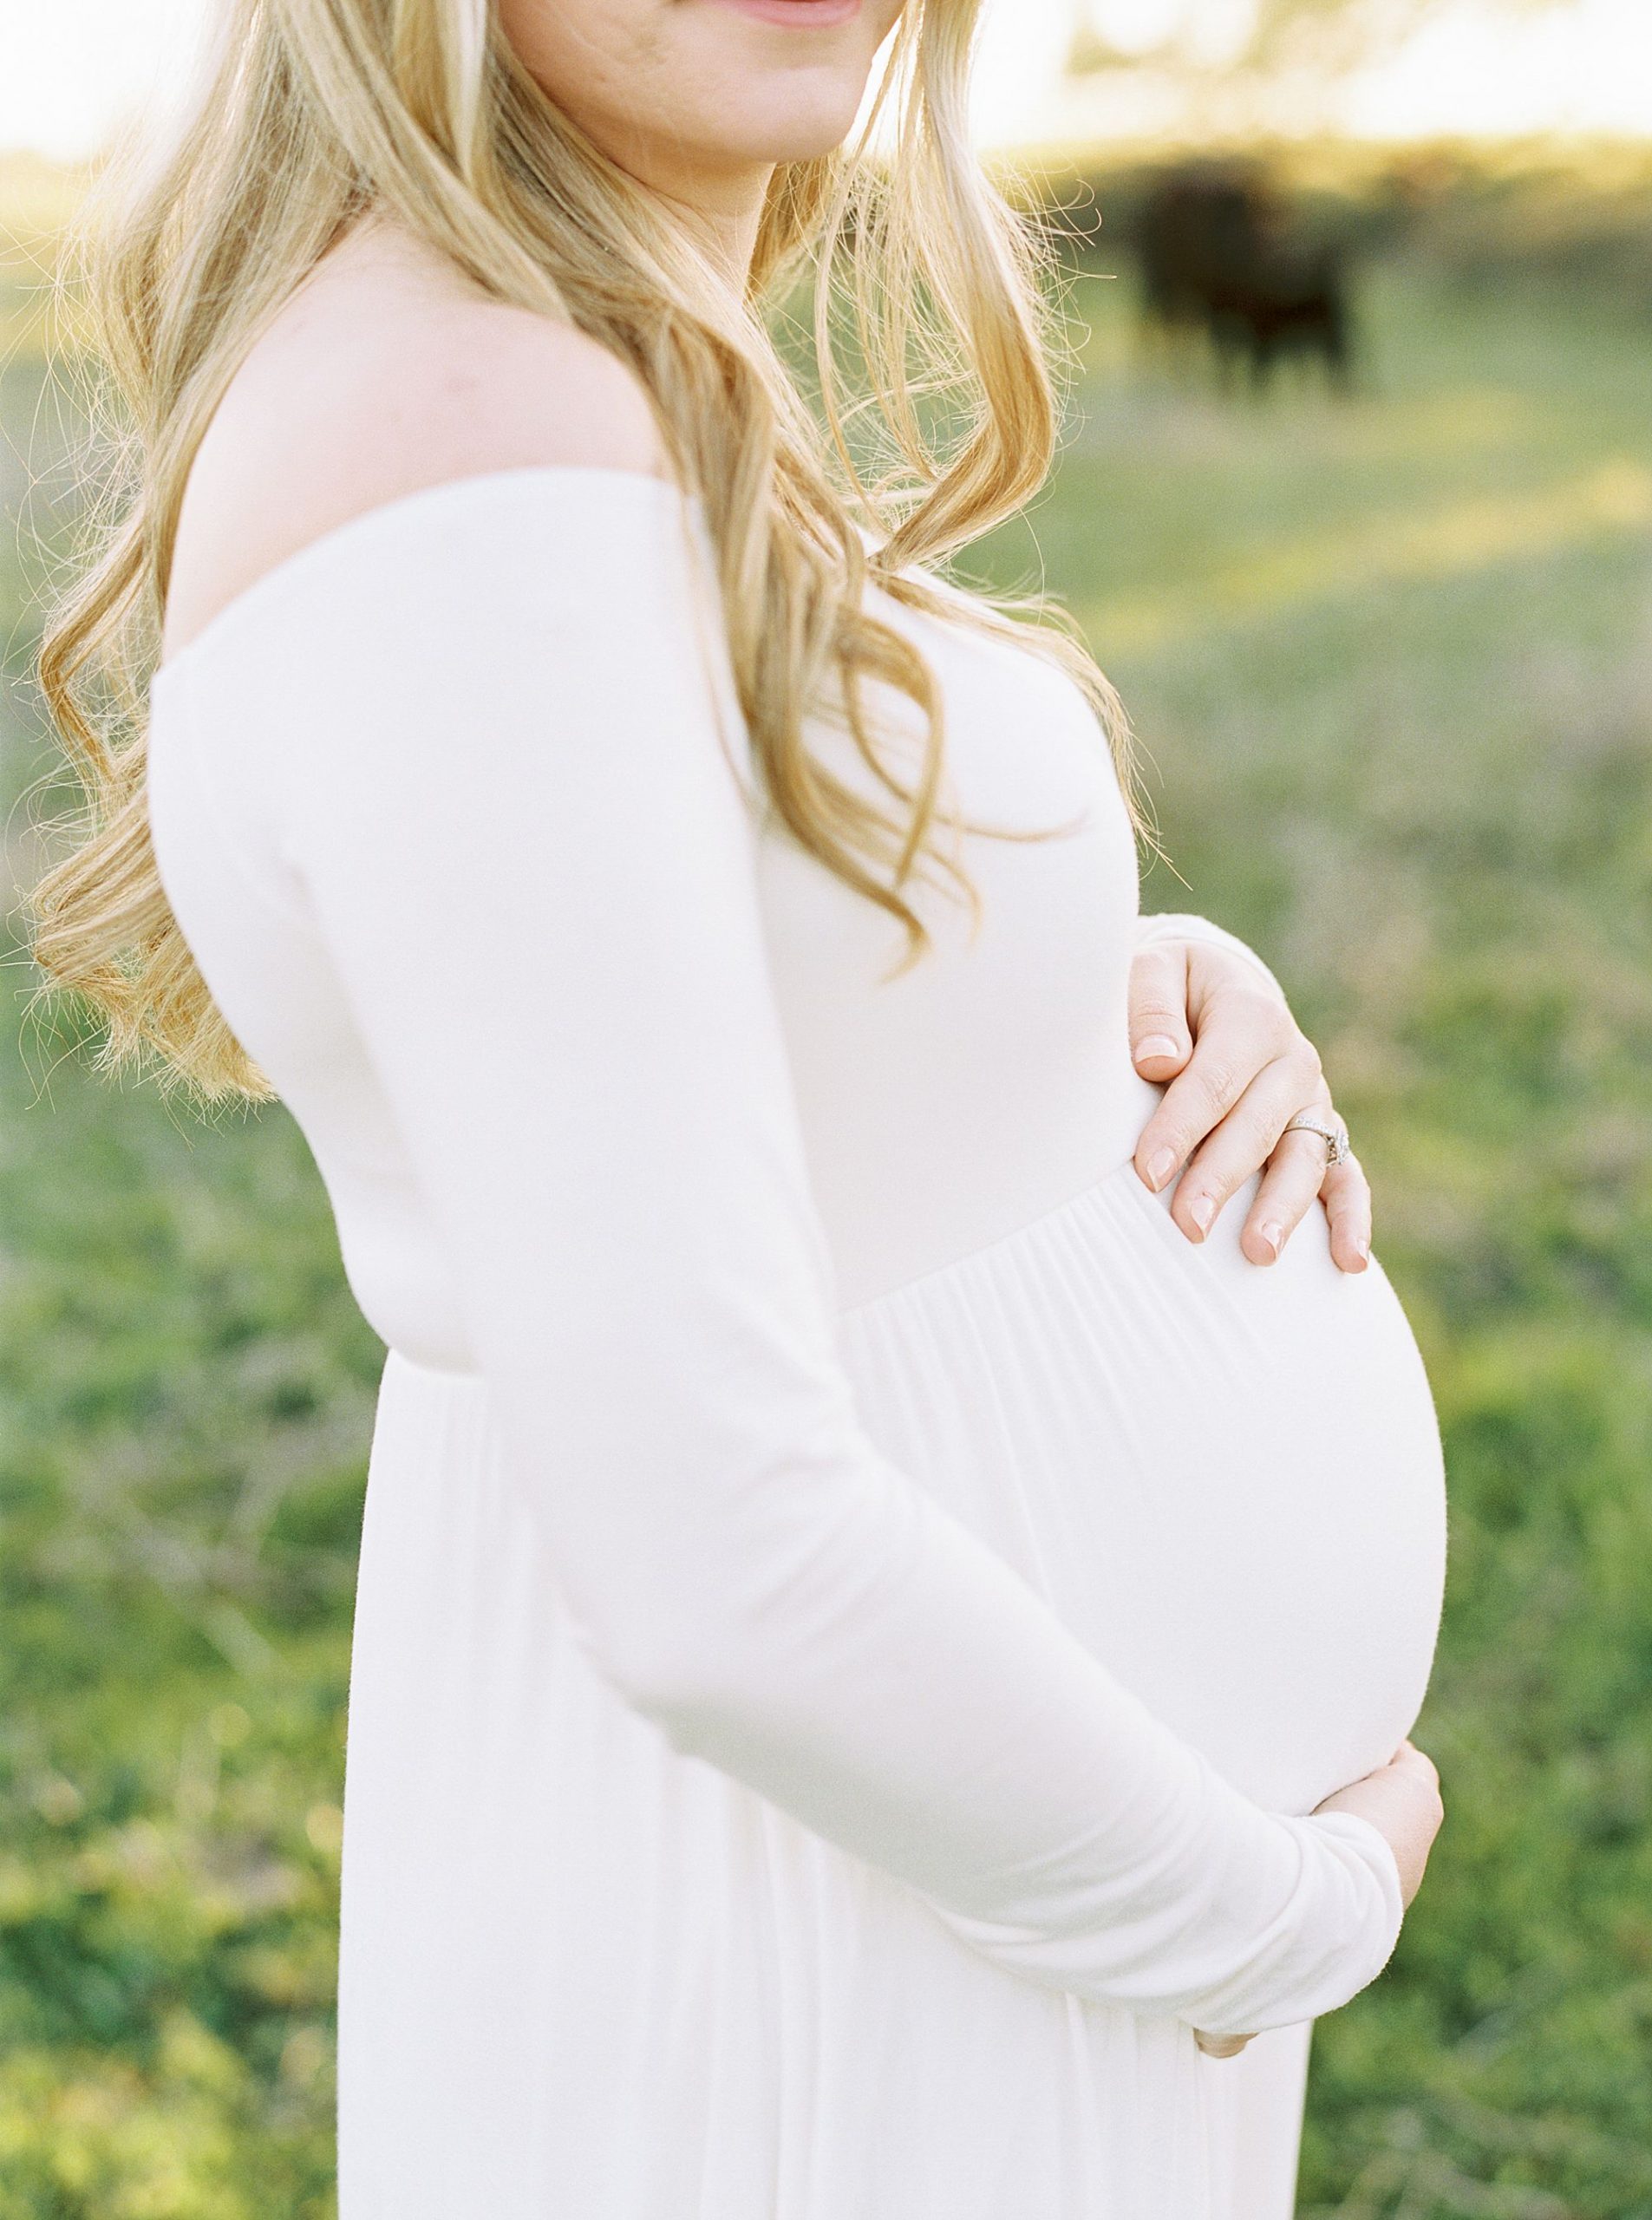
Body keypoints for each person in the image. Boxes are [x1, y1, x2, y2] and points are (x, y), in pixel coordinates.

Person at [30, 2, 1446, 2214]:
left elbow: (708, 985)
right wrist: (1275, 1917)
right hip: (854, 1923)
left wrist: (1091, 996)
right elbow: (713, 1554)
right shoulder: (463, 408)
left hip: (936, 1877)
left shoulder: (563, 360)